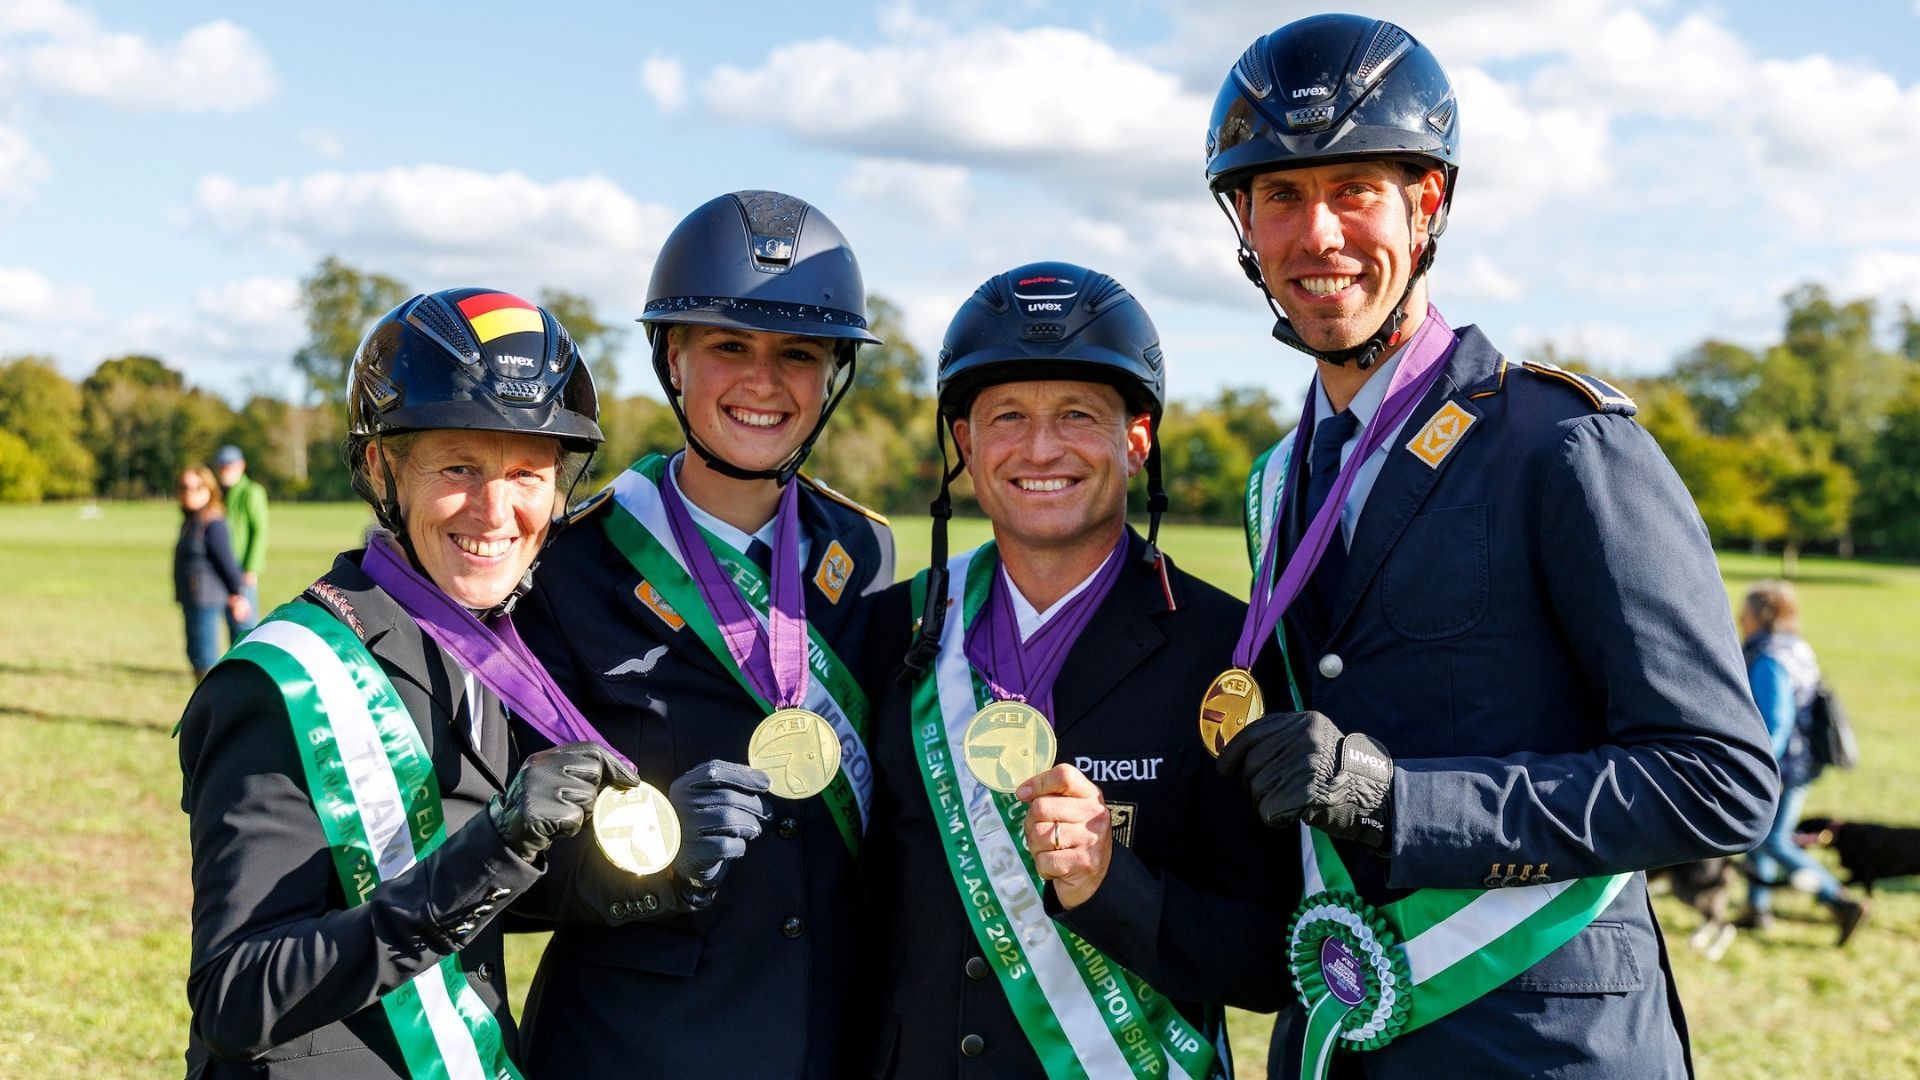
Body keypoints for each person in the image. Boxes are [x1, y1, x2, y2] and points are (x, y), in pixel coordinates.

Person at [1155, 14, 1779, 1078]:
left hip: (1546, 1041)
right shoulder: (1276, 479)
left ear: (1426, 202)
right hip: (1345, 1035)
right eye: (1280, 196)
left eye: (1353, 190)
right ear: (1245, 226)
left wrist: (1401, 804)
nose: (1318, 236)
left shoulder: (1562, 441)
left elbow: (1718, 780)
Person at [178, 288, 640, 1078]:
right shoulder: (283, 680)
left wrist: (649, 873)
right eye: (459, 466)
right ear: (378, 466)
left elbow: (454, 886)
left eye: (529, 473)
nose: (498, 511)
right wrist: (491, 849)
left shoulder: (486, 647)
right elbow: (234, 996)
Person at [860, 261, 1294, 1078]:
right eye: (1008, 416)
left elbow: (1268, 959)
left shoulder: (1226, 651)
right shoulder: (891, 632)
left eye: (1078, 415)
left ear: (1137, 440)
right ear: (967, 443)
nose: (1041, 448)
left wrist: (1110, 887)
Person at [511, 190, 894, 1078]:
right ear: (673, 358)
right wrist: (643, 858)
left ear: (832, 373)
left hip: (833, 1035)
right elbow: (502, 860)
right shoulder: (565, 568)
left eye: (797, 353)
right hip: (639, 1043)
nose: (764, 382)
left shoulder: (865, 552)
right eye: (729, 346)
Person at [1735, 580, 1868, 944]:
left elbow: (1775, 722)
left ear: (1759, 614)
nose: (1738, 617)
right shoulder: (1796, 648)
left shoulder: (1768, 658)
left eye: (1744, 610)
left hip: (1783, 766)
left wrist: (1760, 768)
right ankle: (1756, 907)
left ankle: (1840, 900)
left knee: (1774, 839)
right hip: (1803, 761)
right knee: (1759, 835)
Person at [174, 463, 250, 679]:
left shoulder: (212, 522)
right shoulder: (191, 520)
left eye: (197, 487)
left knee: (204, 658)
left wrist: (237, 594)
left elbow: (226, 561)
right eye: (184, 487)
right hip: (193, 598)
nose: (189, 492)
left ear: (209, 489)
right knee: (196, 655)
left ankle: (207, 711)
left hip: (206, 598)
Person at [214, 443, 268, 640]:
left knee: (244, 622)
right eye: (222, 466)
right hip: (222, 565)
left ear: (241, 465)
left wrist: (251, 568)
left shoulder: (251, 491)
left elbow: (260, 531)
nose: (225, 470)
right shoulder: (218, 493)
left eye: (230, 465)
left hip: (242, 568)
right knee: (228, 620)